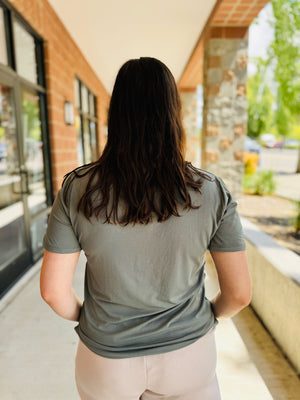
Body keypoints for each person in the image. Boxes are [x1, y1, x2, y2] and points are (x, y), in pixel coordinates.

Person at [40, 57, 251, 400]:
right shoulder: (211, 191)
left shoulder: (77, 189)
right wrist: (207, 317)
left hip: (106, 358)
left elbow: (52, 292)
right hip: (189, 354)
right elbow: (240, 294)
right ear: (173, 113)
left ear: (115, 114)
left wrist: (89, 319)